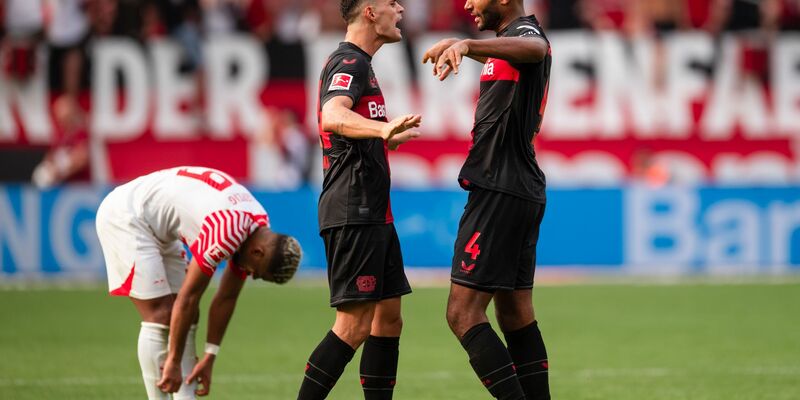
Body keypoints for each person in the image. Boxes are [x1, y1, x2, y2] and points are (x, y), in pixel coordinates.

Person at [422, 0, 552, 399]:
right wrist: (472, 49)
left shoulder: (525, 35)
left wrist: (467, 45)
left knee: (462, 313)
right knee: (513, 313)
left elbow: (537, 49)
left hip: (500, 189)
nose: (466, 4)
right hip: (518, 187)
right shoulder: (505, 45)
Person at [296, 0, 421, 399]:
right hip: (354, 209)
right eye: (391, 3)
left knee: (389, 319)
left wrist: (386, 136)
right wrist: (382, 132)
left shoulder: (361, 64)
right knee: (352, 327)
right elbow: (332, 115)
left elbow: (348, 131)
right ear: (370, 12)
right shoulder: (349, 62)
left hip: (374, 212)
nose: (400, 9)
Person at [95, 166, 302, 399]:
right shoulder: (227, 232)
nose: (252, 276)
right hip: (127, 215)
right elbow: (188, 298)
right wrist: (172, 360)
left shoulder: (258, 225)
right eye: (259, 273)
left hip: (158, 226)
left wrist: (209, 356)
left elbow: (226, 297)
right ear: (257, 253)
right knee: (162, 315)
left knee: (188, 317)